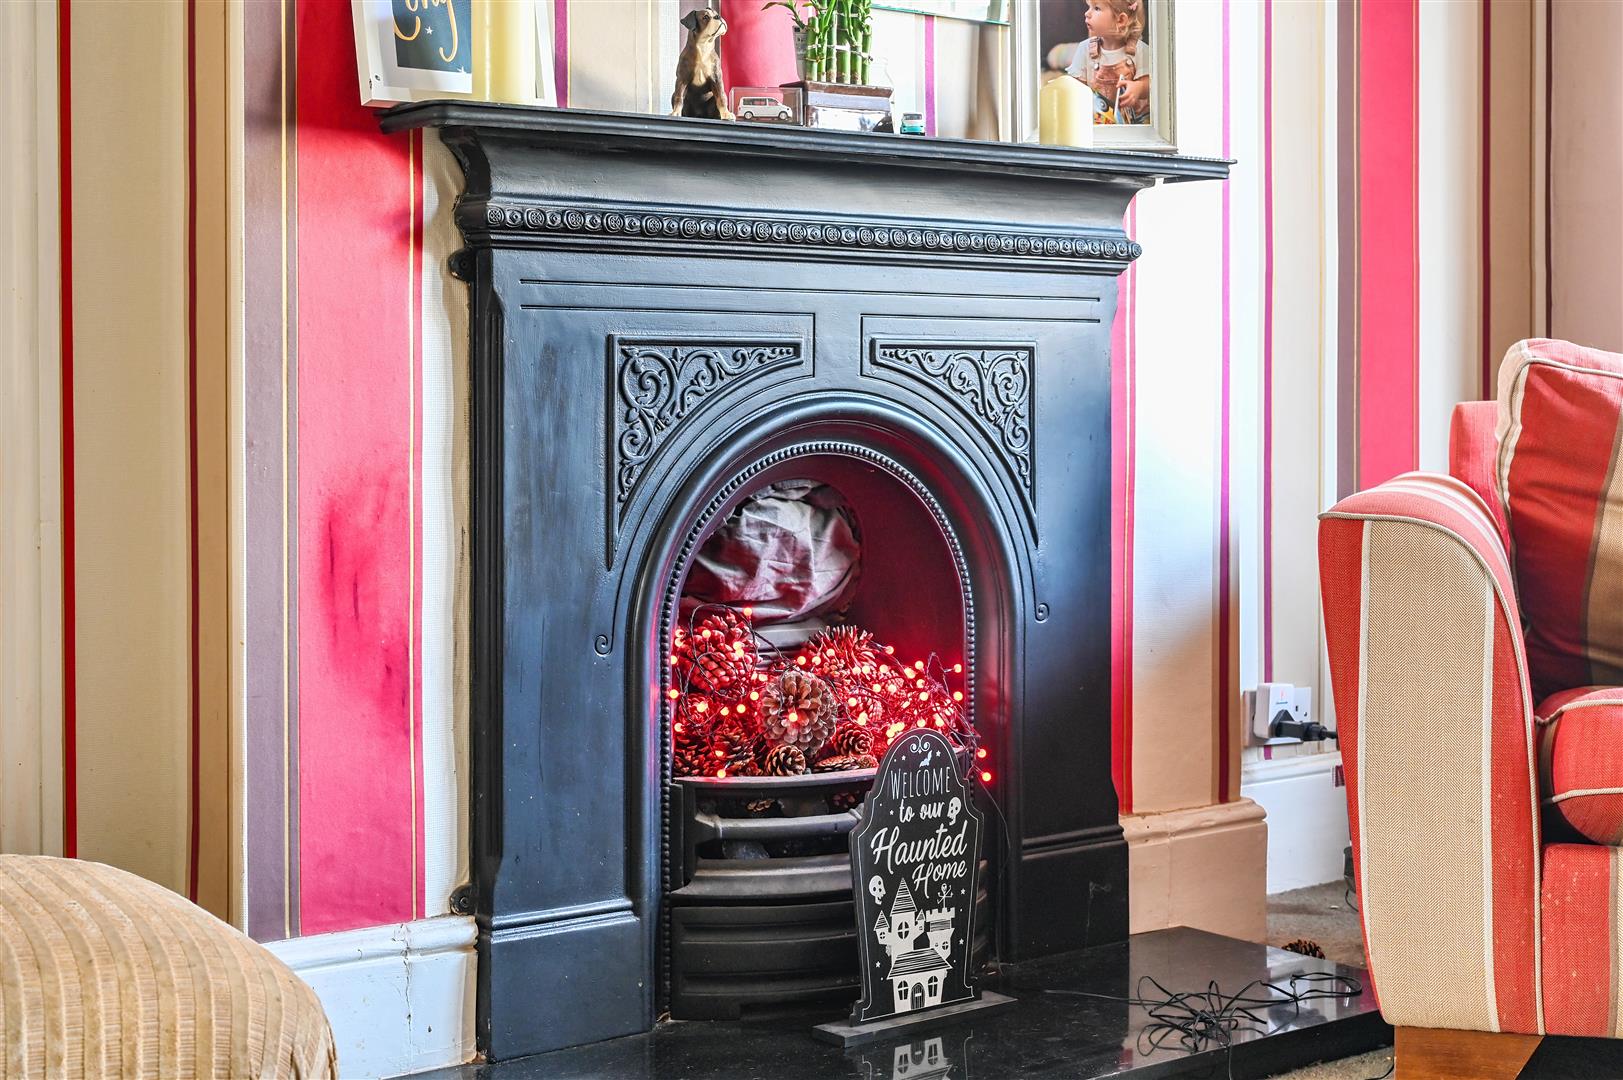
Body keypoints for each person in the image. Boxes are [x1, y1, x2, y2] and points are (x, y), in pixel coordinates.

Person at [1065, 0, 1152, 125]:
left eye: (1096, 8)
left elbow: (1151, 83)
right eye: (1089, 7)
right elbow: (1076, 87)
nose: (1087, 13)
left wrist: (1138, 88)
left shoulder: (1140, 50)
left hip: (1134, 124)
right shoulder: (1085, 49)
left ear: (1120, 20)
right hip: (1099, 122)